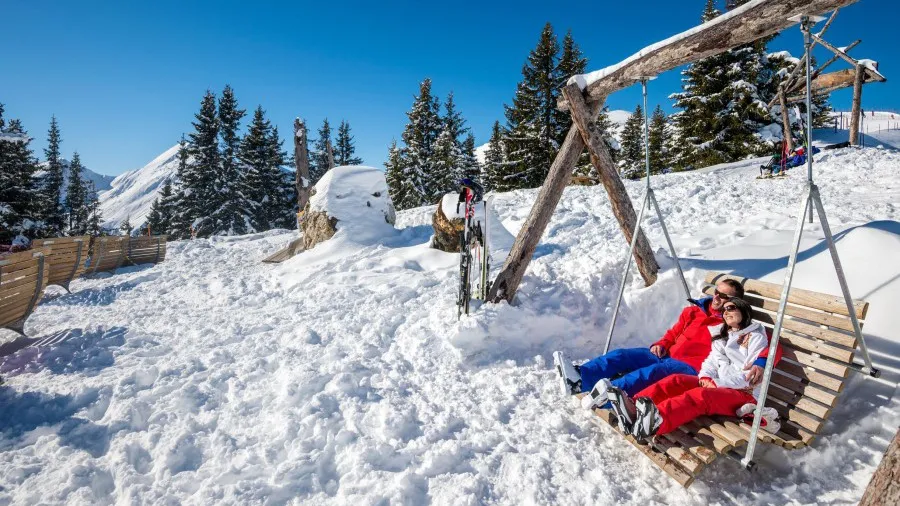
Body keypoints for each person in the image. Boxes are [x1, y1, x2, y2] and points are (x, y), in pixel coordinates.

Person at [554, 278, 772, 410]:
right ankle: (581, 379)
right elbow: (673, 332)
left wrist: (761, 361)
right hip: (667, 354)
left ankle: (610, 398)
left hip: (692, 366)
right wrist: (662, 343)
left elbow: (770, 345)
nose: (718, 298)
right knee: (624, 355)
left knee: (651, 373)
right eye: (717, 291)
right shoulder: (694, 310)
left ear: (736, 303)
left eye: (725, 297)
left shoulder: (733, 323)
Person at [605, 298, 782, 440]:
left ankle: (657, 421)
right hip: (718, 385)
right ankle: (634, 409)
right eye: (724, 310)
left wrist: (717, 383)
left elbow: (749, 377)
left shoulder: (757, 337)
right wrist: (705, 376)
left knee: (699, 396)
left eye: (731, 307)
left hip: (743, 393)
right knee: (676, 380)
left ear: (744, 311)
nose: (726, 312)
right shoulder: (722, 336)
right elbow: (710, 361)